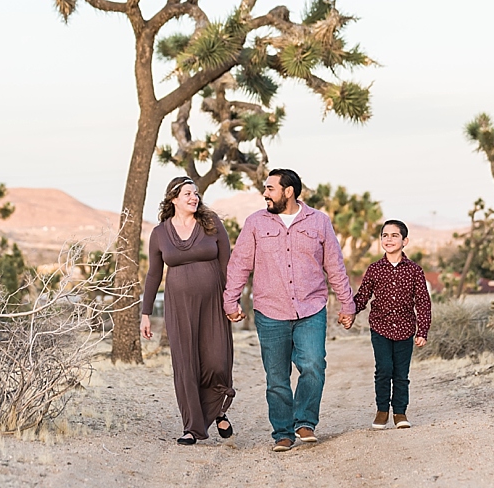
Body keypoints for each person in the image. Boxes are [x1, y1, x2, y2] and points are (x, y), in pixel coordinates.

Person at [224, 168, 356, 452]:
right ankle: (283, 432)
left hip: (311, 308)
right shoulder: (255, 223)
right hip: (270, 311)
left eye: (270, 188)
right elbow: (240, 264)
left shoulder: (319, 221)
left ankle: (305, 421)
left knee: (313, 365)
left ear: (289, 191)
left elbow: (334, 265)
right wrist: (230, 301)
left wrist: (347, 304)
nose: (265, 193)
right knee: (277, 378)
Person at [141, 177, 236, 445]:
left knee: (217, 361)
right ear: (173, 199)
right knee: (186, 365)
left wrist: (232, 300)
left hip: (214, 304)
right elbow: (153, 274)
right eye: (187, 194)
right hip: (179, 306)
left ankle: (217, 409)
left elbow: (227, 263)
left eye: (195, 193)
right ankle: (192, 427)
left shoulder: (211, 223)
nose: (194, 197)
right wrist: (146, 313)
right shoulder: (160, 233)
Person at [354, 220, 432, 429]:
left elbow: (423, 302)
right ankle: (382, 411)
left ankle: (400, 412)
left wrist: (422, 331)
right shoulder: (375, 269)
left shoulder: (415, 270)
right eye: (385, 235)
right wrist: (349, 312)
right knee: (384, 369)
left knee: (401, 373)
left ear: (405, 241)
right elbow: (363, 296)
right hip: (380, 327)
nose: (389, 239)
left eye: (394, 235)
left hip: (405, 329)